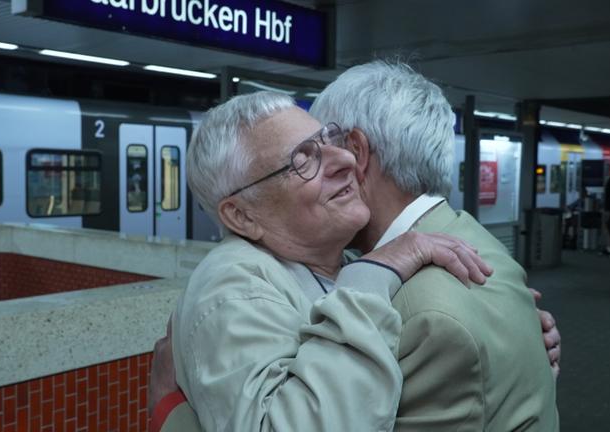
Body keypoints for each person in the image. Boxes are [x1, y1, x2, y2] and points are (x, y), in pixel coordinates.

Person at [167, 90, 492, 431]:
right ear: (242, 216)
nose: (347, 160)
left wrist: (475, 317)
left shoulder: (333, 262)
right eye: (303, 159)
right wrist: (374, 275)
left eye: (330, 139)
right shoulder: (233, 288)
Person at [309, 59, 559, 429]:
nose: (312, 178)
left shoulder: (423, 316)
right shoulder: (476, 238)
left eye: (318, 154)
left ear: (356, 154)